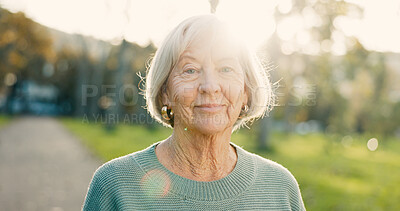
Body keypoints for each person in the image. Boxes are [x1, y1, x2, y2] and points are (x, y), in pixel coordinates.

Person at [83, 15, 306, 210]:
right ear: (165, 93)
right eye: (190, 70)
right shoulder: (115, 184)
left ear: (246, 92)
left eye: (226, 69)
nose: (210, 86)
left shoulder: (280, 187)